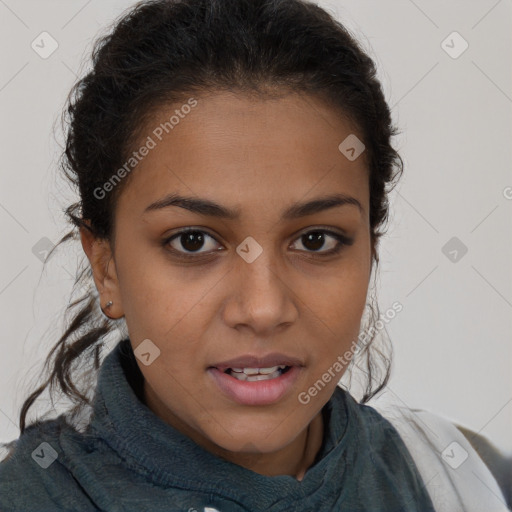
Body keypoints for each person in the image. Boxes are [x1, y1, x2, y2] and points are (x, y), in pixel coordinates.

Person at [0, 0, 510, 510]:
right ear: (106, 268)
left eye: (316, 240)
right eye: (193, 241)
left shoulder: (464, 480)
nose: (264, 309)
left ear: (371, 248)